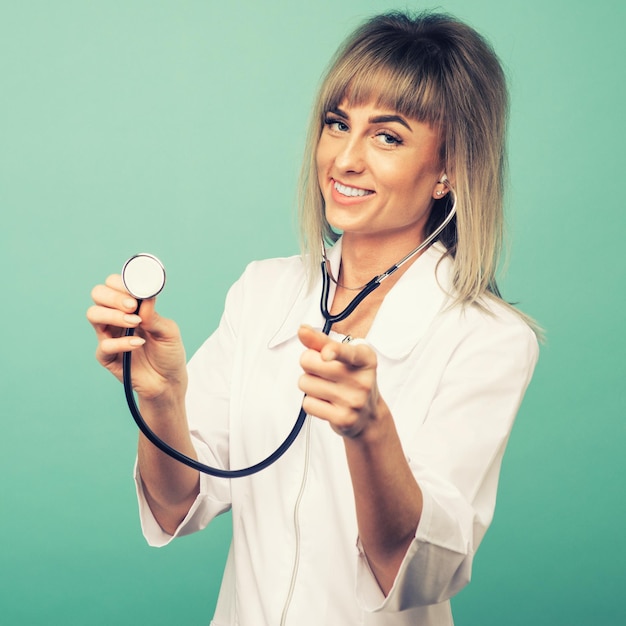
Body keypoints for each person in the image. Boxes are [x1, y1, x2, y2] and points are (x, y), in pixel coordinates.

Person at [87, 10, 539, 626]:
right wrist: (162, 398)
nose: (345, 160)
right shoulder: (262, 291)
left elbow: (415, 573)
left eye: (388, 136)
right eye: (337, 124)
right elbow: (175, 506)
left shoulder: (489, 339)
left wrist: (369, 430)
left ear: (449, 170)